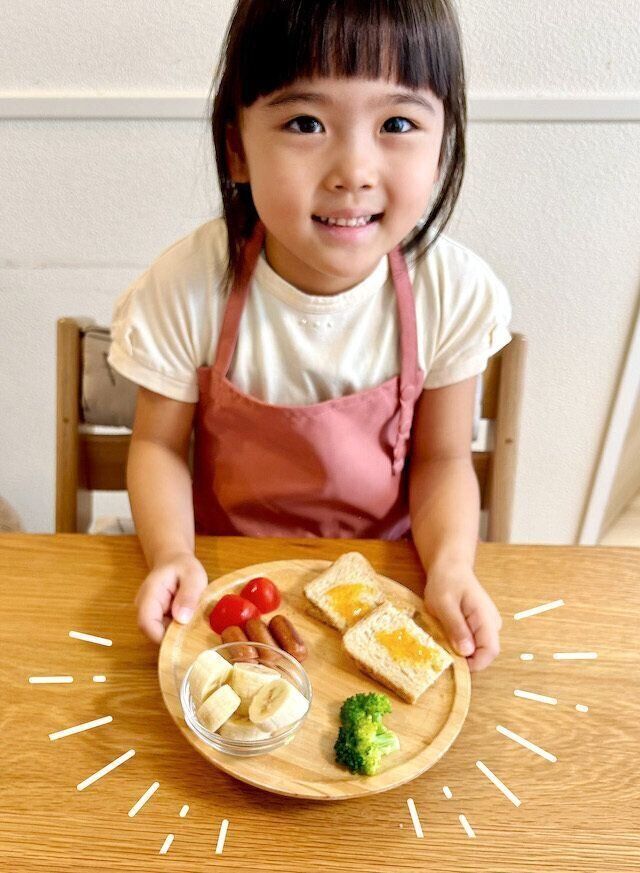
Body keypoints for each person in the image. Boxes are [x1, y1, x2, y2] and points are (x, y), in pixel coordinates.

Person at [108, 0, 511, 670]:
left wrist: (450, 567)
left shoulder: (452, 291)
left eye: (398, 124)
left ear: (442, 148)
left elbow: (442, 459)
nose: (353, 170)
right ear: (238, 149)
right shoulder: (188, 284)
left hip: (387, 582)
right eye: (305, 123)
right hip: (224, 582)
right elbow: (158, 446)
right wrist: (173, 553)